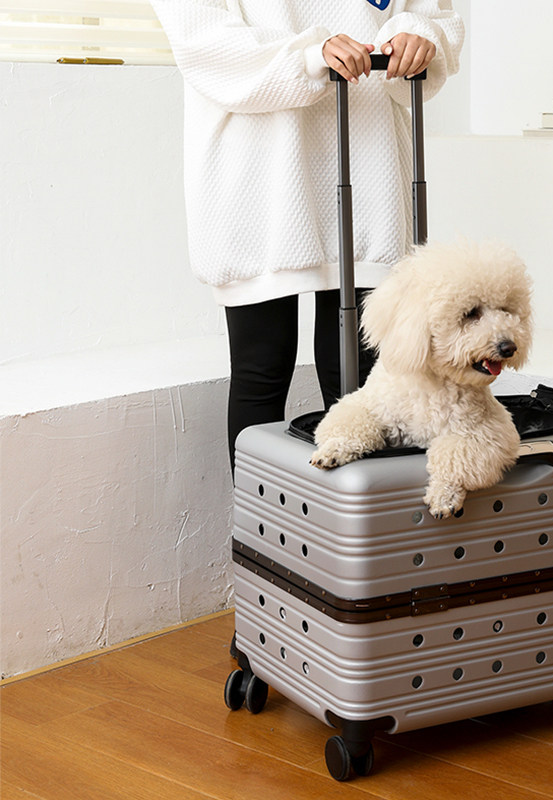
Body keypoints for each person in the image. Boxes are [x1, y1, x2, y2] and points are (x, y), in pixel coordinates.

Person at [151, 0, 465, 474]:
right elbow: (202, 40)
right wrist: (309, 55)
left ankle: (360, 518)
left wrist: (417, 35)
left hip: (368, 165)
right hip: (260, 169)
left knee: (363, 377)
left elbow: (432, 16)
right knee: (261, 367)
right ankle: (257, 518)